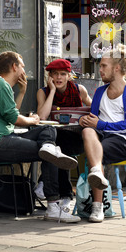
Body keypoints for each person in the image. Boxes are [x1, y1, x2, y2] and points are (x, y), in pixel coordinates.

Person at [0, 51, 80, 223]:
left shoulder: (2, 85)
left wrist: (22, 92)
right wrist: (32, 119)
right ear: (14, 67)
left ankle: (48, 151)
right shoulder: (0, 84)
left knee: (47, 132)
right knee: (50, 153)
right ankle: (53, 207)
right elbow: (14, 118)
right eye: (22, 65)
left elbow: (11, 115)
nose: (24, 69)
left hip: (3, 139)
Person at [79, 44, 126, 223]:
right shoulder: (100, 91)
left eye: (103, 66)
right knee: (87, 132)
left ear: (117, 68)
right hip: (100, 136)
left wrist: (100, 124)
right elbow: (93, 120)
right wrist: (84, 121)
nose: (100, 70)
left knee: (97, 151)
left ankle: (97, 206)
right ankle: (96, 175)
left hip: (124, 140)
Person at [36, 58, 91, 213]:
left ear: (69, 76)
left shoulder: (79, 90)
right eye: (55, 74)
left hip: (75, 138)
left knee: (59, 147)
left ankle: (43, 182)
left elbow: (93, 108)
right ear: (50, 77)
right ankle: (66, 196)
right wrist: (52, 91)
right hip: (54, 139)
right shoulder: (43, 92)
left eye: (62, 74)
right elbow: (42, 116)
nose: (58, 78)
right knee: (58, 145)